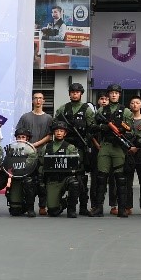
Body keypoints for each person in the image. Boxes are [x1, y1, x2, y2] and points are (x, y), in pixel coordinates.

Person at [55, 82, 96, 216]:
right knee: (64, 176)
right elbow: (55, 125)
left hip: (80, 147)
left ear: (81, 94)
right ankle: (61, 204)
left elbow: (92, 128)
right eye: (72, 92)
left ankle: (83, 207)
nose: (75, 94)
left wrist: (87, 140)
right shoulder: (63, 109)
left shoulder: (87, 109)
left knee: (81, 177)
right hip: (65, 147)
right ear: (69, 94)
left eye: (77, 92)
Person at [92, 83, 132, 217]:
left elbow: (131, 130)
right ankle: (98, 208)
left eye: (116, 93)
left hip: (119, 147)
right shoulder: (101, 111)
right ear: (108, 95)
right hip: (105, 146)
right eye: (111, 93)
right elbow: (93, 127)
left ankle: (121, 208)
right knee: (101, 177)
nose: (114, 95)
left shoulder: (125, 111)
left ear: (119, 95)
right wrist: (104, 127)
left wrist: (122, 130)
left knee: (120, 178)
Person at [40, 120, 81, 218]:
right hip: (52, 180)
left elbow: (75, 163)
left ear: (65, 133)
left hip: (65, 178)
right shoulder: (46, 147)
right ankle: (64, 202)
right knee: (53, 212)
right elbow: (42, 163)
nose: (59, 133)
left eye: (61, 131)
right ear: (53, 132)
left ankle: (71, 209)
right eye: (57, 131)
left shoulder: (70, 147)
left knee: (74, 183)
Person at [3, 128, 40, 217]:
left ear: (27, 139)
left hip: (28, 176)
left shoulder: (32, 150)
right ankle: (21, 205)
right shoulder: (11, 149)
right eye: (18, 137)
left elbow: (30, 164)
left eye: (23, 137)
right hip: (15, 177)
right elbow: (7, 165)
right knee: (14, 211)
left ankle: (30, 208)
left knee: (29, 183)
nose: (20, 139)